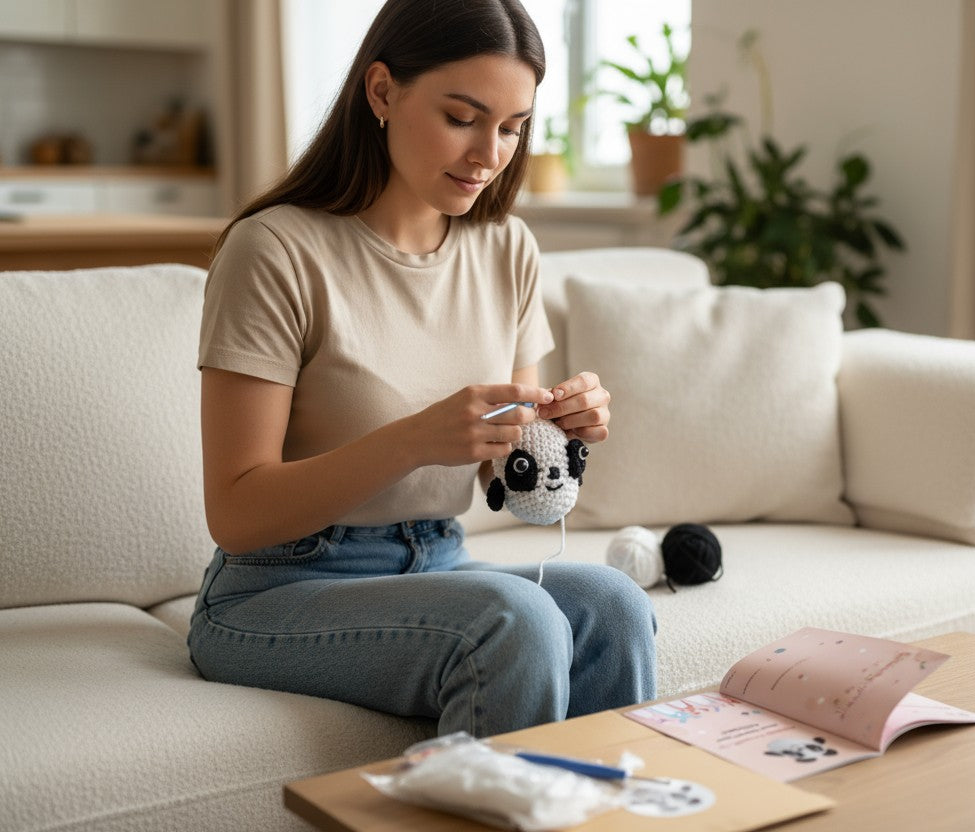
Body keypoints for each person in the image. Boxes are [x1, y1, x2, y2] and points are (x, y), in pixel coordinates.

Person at [187, 0, 657, 738]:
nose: (489, 154)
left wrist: (554, 440)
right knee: (515, 619)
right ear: (381, 92)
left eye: (511, 127)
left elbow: (504, 488)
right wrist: (415, 439)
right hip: (279, 587)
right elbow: (237, 514)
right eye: (463, 118)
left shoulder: (506, 249)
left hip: (438, 560)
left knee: (613, 601)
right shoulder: (273, 251)